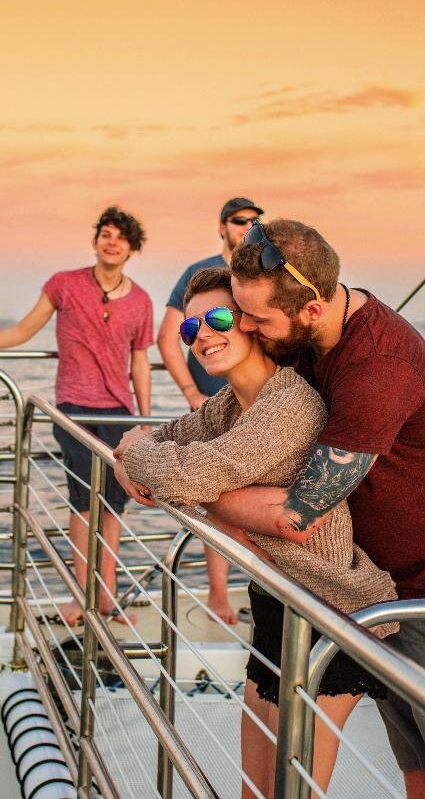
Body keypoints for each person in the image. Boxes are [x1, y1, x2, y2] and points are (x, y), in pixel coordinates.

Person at [198, 218, 425, 799]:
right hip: (383, 592)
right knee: (419, 766)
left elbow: (301, 513)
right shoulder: (307, 337)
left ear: (312, 308)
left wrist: (186, 485)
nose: (244, 327)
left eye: (257, 319)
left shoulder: (379, 367)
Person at [113, 267, 398, 799]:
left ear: (248, 321)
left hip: (328, 613)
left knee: (292, 792)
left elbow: (182, 472)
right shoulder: (228, 405)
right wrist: (133, 448)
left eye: (218, 318)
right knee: (254, 789)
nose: (203, 335)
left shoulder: (288, 406)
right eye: (190, 327)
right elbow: (164, 445)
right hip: (274, 599)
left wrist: (137, 452)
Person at [0, 206, 153, 625]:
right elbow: (22, 331)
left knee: (114, 503)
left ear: (131, 249)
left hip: (118, 411)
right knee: (84, 499)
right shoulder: (64, 285)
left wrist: (144, 419)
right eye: (106, 235)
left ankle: (106, 597)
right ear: (95, 242)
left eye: (121, 238)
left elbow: (139, 361)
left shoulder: (140, 300)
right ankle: (80, 597)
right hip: (73, 406)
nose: (112, 242)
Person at [156, 196, 263, 625]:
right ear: (222, 226)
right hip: (212, 402)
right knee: (215, 497)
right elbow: (168, 337)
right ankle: (218, 594)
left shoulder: (261, 274)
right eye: (239, 220)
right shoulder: (198, 275)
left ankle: (267, 593)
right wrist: (190, 392)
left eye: (255, 221)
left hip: (258, 400)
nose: (247, 226)